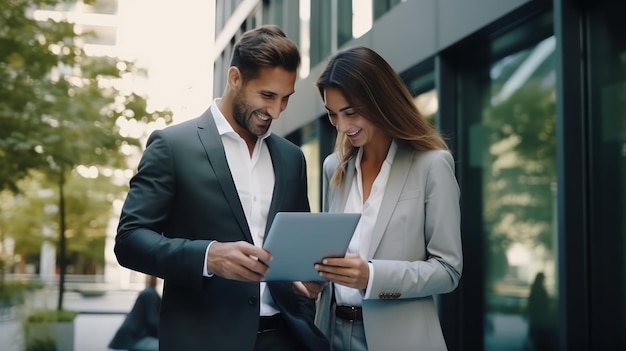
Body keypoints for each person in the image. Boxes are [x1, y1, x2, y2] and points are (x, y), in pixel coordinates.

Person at [114, 24, 329, 351]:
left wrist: (308, 281)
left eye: (286, 99)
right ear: (234, 78)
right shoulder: (173, 146)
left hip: (287, 338)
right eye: (267, 95)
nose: (275, 111)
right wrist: (208, 256)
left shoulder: (292, 158)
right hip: (204, 338)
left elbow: (296, 249)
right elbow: (130, 240)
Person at [312, 46, 463, 351]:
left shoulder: (431, 164)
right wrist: (317, 278)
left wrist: (372, 276)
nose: (342, 126)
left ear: (380, 100)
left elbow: (448, 270)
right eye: (333, 115)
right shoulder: (334, 168)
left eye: (351, 113)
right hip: (331, 334)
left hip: (401, 340)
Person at [109, 275, 161, 351]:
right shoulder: (150, 294)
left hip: (134, 337)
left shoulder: (148, 292)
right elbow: (152, 320)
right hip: (135, 338)